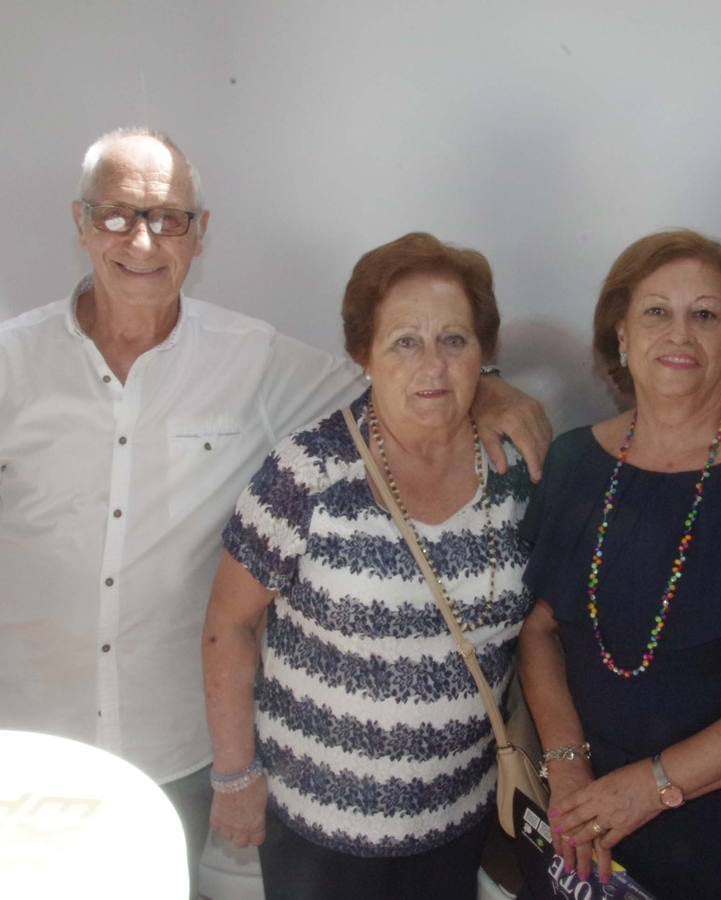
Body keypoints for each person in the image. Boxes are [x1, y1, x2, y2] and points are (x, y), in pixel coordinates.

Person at [0, 130, 551, 896]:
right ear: (81, 222)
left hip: (173, 743)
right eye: (118, 216)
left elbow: (394, 373)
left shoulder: (254, 359)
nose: (143, 240)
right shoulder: (1, 363)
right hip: (24, 732)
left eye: (168, 217)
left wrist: (486, 384)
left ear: (200, 233)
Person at [202, 232, 536, 900]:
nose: (432, 366)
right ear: (363, 353)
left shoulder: (514, 471)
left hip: (456, 816)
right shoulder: (308, 472)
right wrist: (235, 777)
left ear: (483, 353)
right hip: (319, 830)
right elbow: (227, 626)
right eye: (404, 341)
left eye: (454, 340)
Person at [518, 230, 721, 899]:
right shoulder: (573, 461)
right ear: (619, 336)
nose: (679, 333)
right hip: (586, 817)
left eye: (705, 314)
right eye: (655, 312)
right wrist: (567, 768)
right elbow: (539, 629)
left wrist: (651, 786)